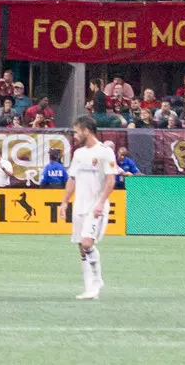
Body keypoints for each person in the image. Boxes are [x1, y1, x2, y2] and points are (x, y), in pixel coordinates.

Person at [65, 116, 117, 300]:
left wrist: (101, 202)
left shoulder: (105, 152)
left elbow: (111, 180)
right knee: (81, 247)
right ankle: (90, 288)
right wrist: (64, 202)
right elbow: (72, 179)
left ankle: (97, 280)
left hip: (95, 205)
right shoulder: (78, 154)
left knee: (87, 244)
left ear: (86, 130)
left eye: (77, 131)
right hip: (80, 205)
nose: (75, 135)